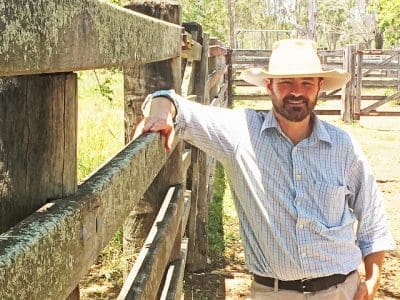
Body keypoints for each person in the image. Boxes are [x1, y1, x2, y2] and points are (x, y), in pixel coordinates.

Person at [133, 39, 395, 299]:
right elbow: (173, 103)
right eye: (286, 83)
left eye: (306, 83)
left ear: (319, 87)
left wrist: (373, 279)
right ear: (269, 86)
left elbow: (371, 214)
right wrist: (161, 110)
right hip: (275, 292)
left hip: (341, 290)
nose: (296, 92)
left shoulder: (343, 146)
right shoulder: (241, 134)